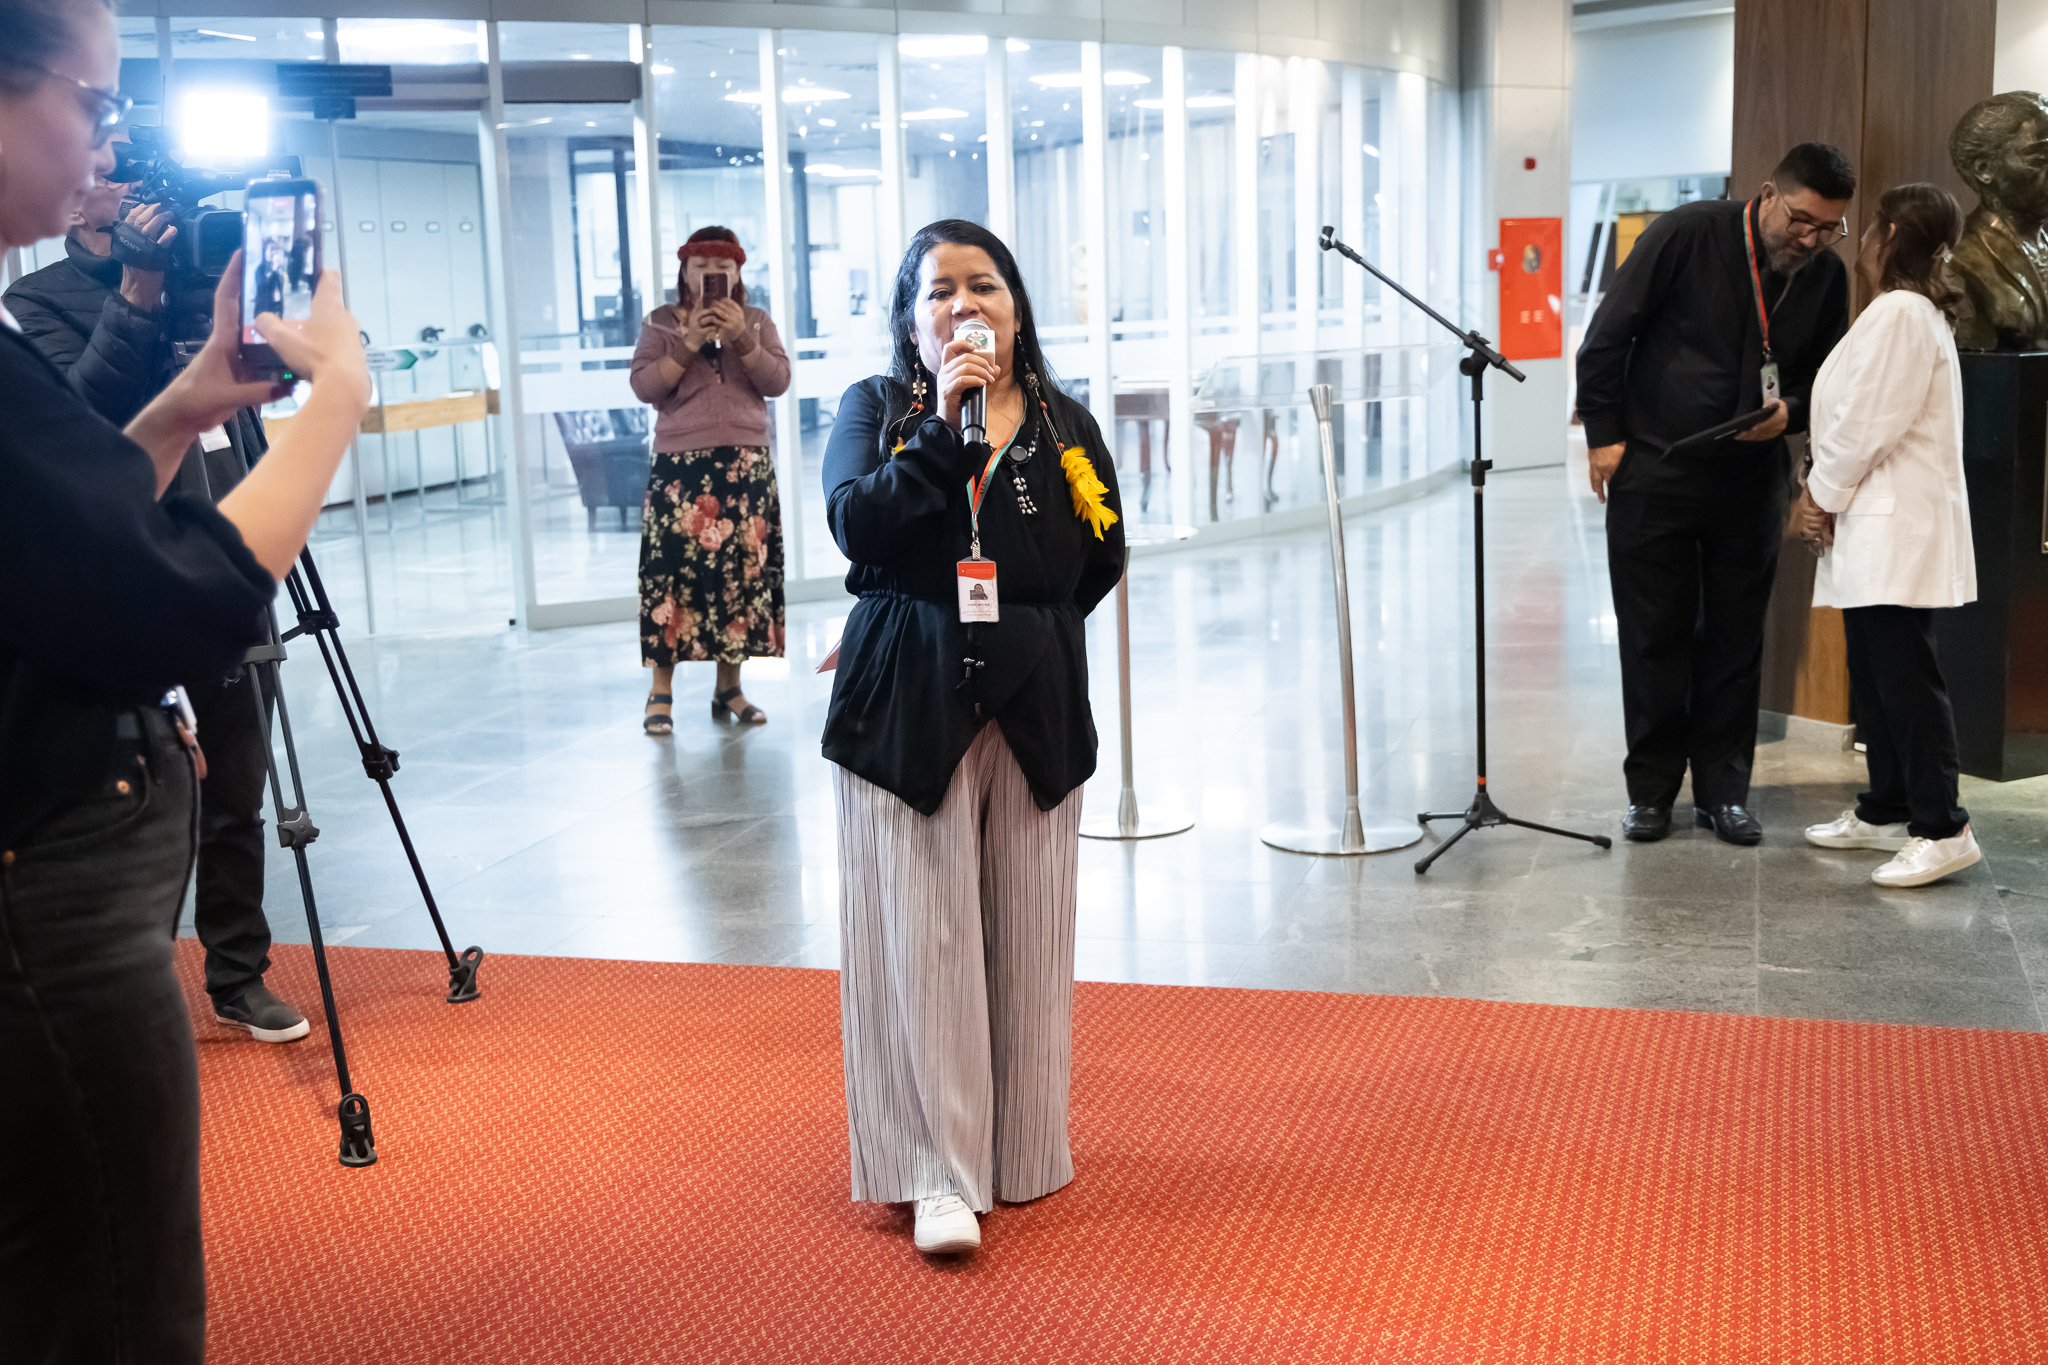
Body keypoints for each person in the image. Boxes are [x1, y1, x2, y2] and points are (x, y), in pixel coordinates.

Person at [0, 0, 371, 1357]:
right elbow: (158, 604)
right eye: (94, 105)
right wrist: (335, 405)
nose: (109, 149)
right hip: (44, 912)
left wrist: (195, 399)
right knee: (113, 1298)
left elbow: (69, 524)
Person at [820, 219, 1125, 1256]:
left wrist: (1026, 633)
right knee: (924, 939)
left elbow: (1099, 558)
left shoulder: (1065, 423)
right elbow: (858, 526)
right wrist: (945, 438)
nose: (963, 306)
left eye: (983, 285)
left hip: (1033, 704)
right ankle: (935, 1173)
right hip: (909, 700)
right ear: (911, 324)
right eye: (939, 291)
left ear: (1016, 309)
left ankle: (1023, 1147)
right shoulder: (876, 409)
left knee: (1031, 933)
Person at [7, 128, 311, 1043]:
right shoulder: (35, 300)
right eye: (108, 173)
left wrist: (269, 309)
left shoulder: (201, 269)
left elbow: (264, 384)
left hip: (223, 537)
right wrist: (136, 291)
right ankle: (128, 978)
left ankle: (239, 970)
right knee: (138, 786)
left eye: (127, 173)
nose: (114, 186)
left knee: (238, 783)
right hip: (122, 568)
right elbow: (88, 427)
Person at [1576, 143, 1855, 846]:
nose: (1810, 240)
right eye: (1801, 221)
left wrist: (1791, 413)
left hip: (1748, 481)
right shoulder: (1688, 233)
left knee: (1734, 641)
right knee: (1653, 636)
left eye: (1829, 229)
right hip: (1656, 468)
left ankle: (1724, 793)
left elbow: (1827, 378)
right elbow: (1607, 336)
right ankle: (1650, 793)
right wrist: (1604, 436)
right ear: (1768, 194)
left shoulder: (1826, 276)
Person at [1793, 184, 1982, 887]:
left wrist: (1818, 496)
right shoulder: (1901, 310)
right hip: (1875, 524)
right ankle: (1888, 808)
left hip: (1893, 527)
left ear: (1892, 233)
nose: (1863, 237)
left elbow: (1867, 423)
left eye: (1871, 224)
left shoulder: (1902, 312)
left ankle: (1943, 827)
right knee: (1876, 677)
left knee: (1906, 681)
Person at [628, 225, 789, 733]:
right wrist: (690, 340)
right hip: (679, 469)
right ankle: (660, 691)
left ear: (738, 272)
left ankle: (730, 688)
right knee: (670, 577)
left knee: (738, 577)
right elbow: (645, 387)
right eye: (701, 267)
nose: (711, 275)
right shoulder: (660, 323)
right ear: (684, 271)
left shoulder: (757, 321)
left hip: (746, 465)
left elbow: (777, 381)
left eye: (722, 268)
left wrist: (741, 337)